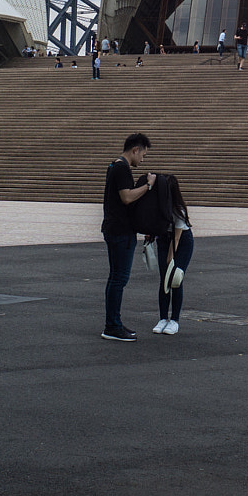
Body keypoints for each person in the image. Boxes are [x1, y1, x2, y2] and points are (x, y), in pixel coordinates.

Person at [102, 133, 155, 342]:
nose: (142, 160)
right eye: (143, 154)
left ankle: (113, 322)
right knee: (119, 279)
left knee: (115, 278)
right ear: (135, 149)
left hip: (114, 229)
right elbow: (126, 197)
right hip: (120, 232)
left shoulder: (114, 166)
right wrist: (148, 185)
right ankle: (112, 326)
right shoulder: (122, 168)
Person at [149, 173, 195, 335]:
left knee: (175, 277)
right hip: (164, 239)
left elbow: (177, 237)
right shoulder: (159, 205)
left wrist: (171, 257)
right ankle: (163, 318)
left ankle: (174, 320)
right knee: (164, 280)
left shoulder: (178, 209)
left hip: (182, 242)